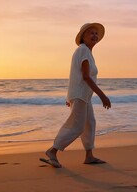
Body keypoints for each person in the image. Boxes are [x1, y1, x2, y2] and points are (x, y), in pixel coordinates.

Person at [41, 23, 111, 168]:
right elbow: (85, 76)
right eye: (90, 33)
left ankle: (89, 156)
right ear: (83, 37)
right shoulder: (83, 50)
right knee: (77, 126)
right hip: (80, 95)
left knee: (89, 123)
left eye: (96, 33)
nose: (94, 35)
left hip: (83, 95)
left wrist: (70, 96)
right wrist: (102, 95)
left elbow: (74, 76)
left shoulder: (87, 52)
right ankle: (52, 150)